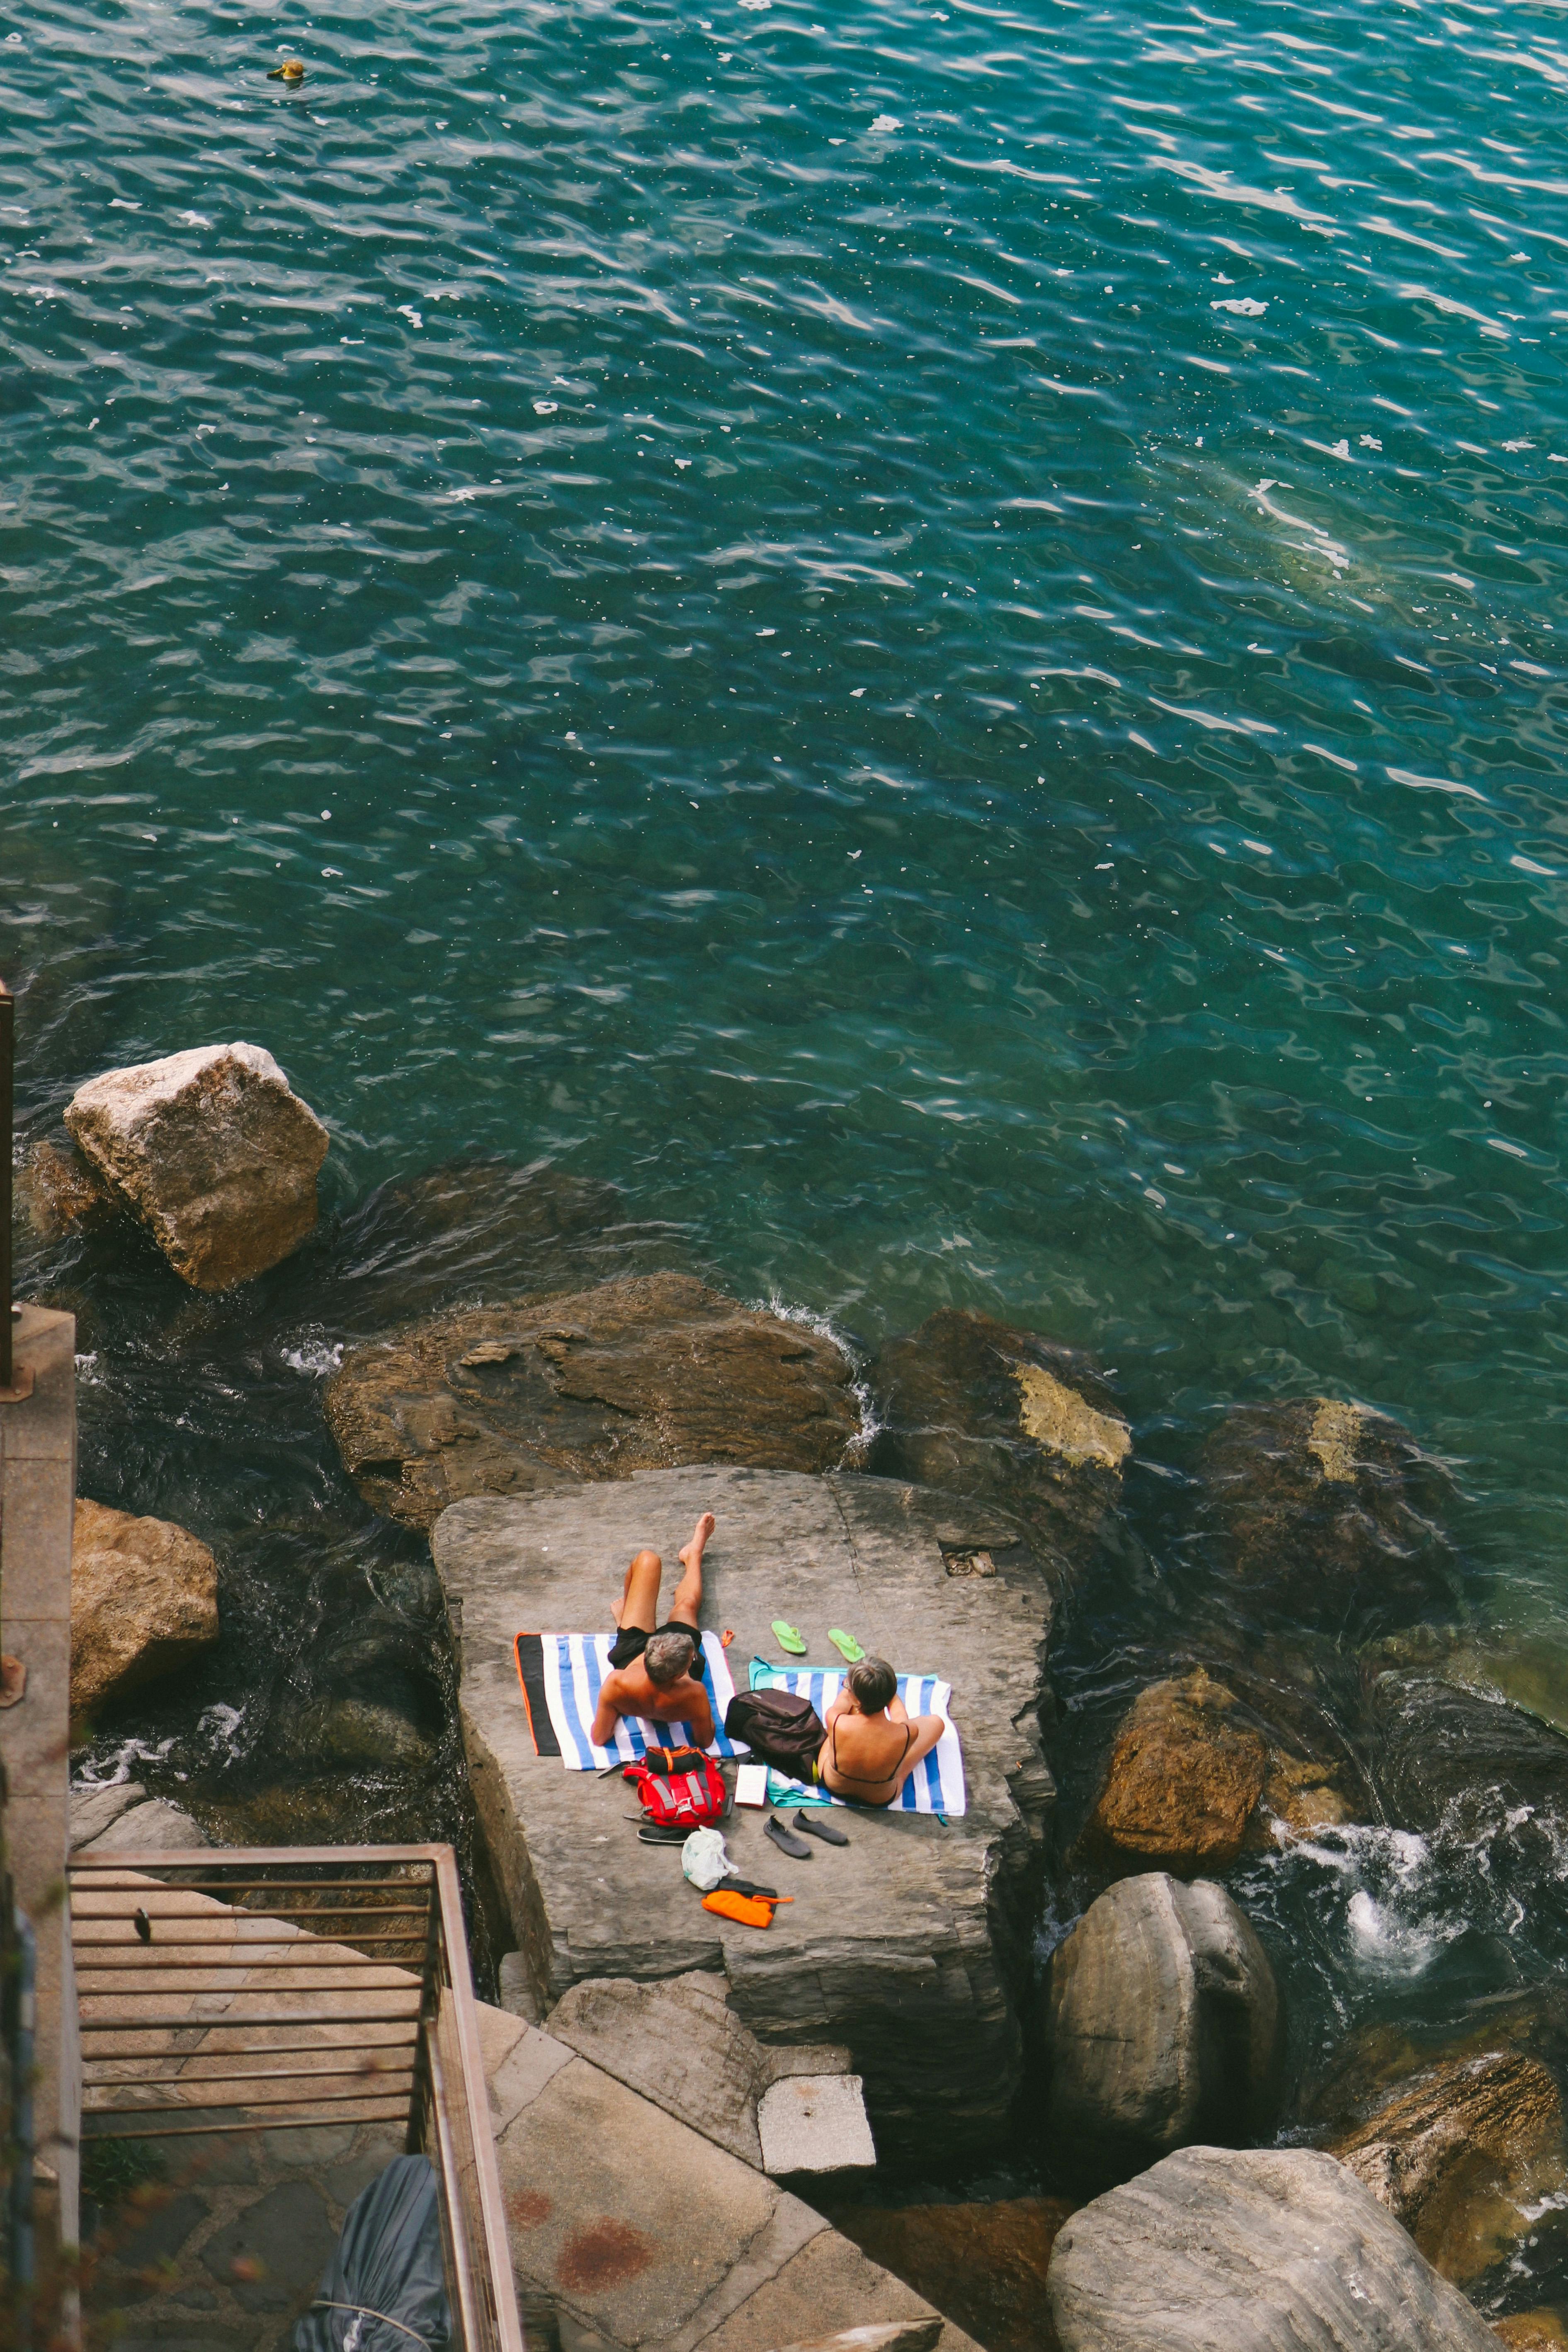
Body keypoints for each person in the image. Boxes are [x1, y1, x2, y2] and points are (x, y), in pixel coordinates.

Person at [589, 1511, 716, 1750]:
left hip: (631, 1654)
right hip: (658, 1666)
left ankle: (627, 1612)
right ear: (682, 1673)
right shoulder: (693, 1694)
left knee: (647, 1559)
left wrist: (615, 1704)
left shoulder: (618, 1683)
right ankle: (694, 1555)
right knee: (686, 1605)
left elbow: (599, 1738)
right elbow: (705, 1741)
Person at [816, 1656, 946, 1807]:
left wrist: (854, 1688)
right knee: (937, 1723)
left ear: (854, 1696)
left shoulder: (837, 1720)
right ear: (891, 1695)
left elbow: (844, 1701)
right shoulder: (908, 1733)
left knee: (834, 1736)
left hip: (834, 1786)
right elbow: (900, 1718)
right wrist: (884, 1692)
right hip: (880, 1798)